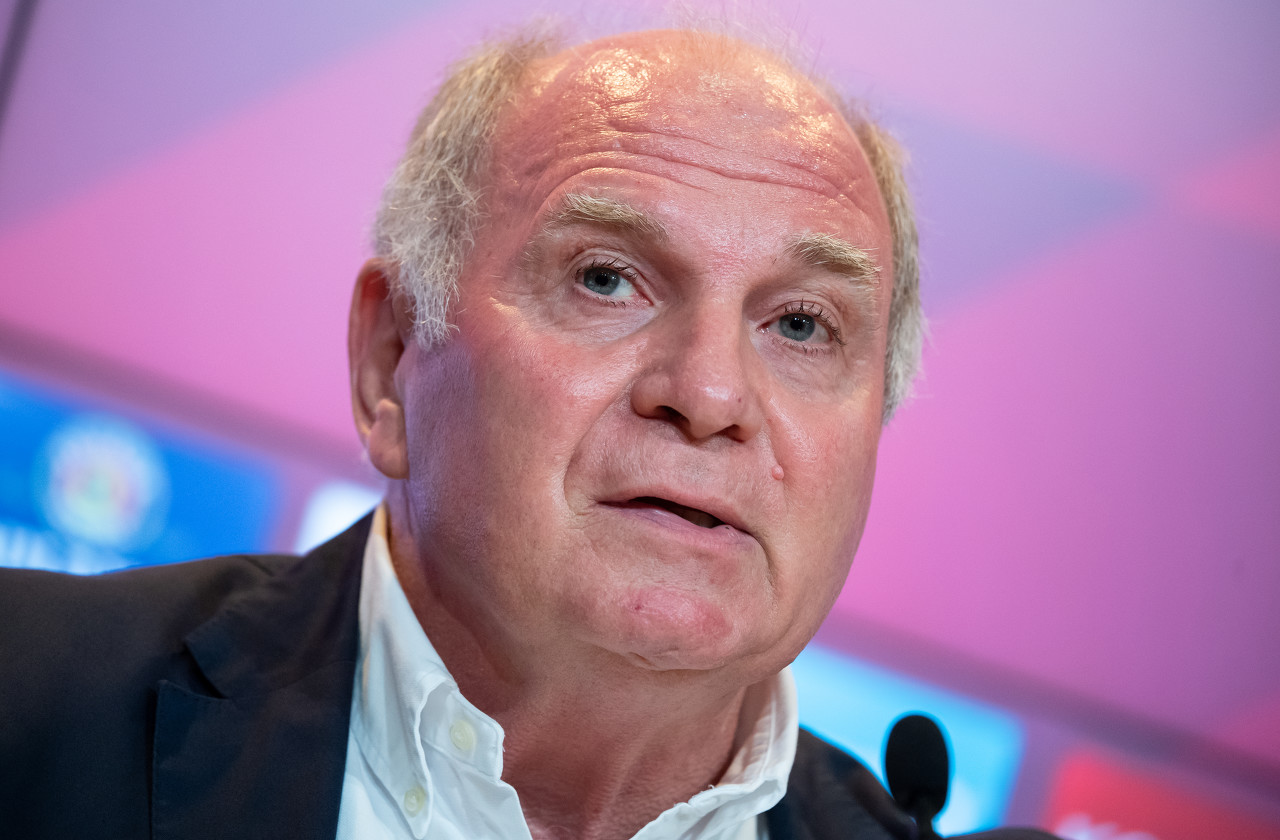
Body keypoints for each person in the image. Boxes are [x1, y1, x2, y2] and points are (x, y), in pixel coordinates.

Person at [0, 25, 1058, 840]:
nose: (708, 395)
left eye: (800, 325)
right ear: (391, 361)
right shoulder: (26, 701)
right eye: (606, 279)